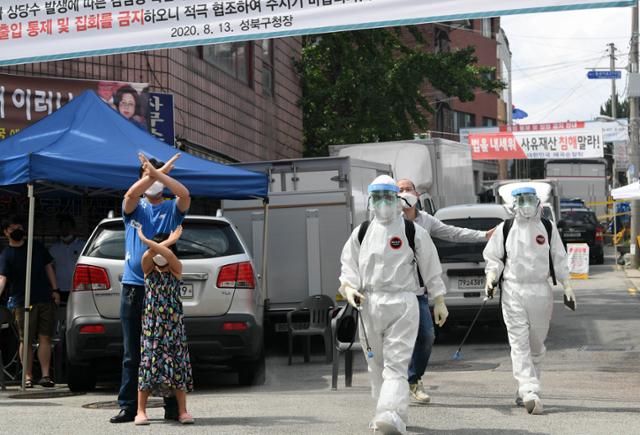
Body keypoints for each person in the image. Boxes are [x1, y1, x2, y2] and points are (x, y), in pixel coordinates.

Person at [339, 175, 448, 435]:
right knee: (375, 363)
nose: (383, 203)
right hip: (369, 304)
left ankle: (391, 413)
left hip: (403, 303)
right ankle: (384, 412)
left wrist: (439, 298)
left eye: (388, 197)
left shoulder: (412, 231)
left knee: (396, 364)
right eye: (378, 197)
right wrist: (349, 288)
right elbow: (348, 265)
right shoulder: (362, 232)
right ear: (370, 201)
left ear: (398, 200)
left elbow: (431, 266)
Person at [396, 178, 494, 404]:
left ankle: (414, 380)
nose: (404, 193)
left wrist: (482, 235)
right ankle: (391, 387)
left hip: (417, 291)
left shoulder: (425, 221)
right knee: (394, 342)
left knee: (426, 336)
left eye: (408, 189)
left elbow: (453, 233)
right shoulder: (387, 222)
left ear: (417, 195)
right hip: (390, 293)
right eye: (399, 190)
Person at [110, 152, 190, 424]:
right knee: (133, 351)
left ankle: (171, 407)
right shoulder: (135, 208)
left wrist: (160, 172)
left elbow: (185, 194)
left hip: (164, 288)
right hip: (135, 287)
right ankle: (129, 406)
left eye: (157, 178)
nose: (153, 183)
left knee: (167, 348)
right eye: (148, 177)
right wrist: (152, 174)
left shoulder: (171, 208)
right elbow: (130, 196)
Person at [483, 187, 574, 415]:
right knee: (519, 342)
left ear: (537, 201)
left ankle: (525, 388)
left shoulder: (548, 228)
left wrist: (568, 285)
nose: (526, 204)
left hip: (541, 290)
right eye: (522, 199)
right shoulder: (505, 229)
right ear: (514, 203)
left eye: (530, 199)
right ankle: (530, 389)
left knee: (536, 345)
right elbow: (493, 257)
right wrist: (491, 277)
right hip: (513, 289)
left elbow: (559, 258)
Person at [135, 225, 194, 425]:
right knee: (148, 365)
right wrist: (168, 240)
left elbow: (167, 255)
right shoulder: (148, 270)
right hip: (152, 327)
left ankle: (183, 410)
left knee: (177, 365)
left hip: (173, 328)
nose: (159, 255)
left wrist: (150, 240)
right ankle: (140, 411)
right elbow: (147, 256)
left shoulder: (176, 268)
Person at [0, 215, 60, 388]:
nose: (17, 230)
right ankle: (27, 376)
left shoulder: (36, 247)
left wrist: (55, 289)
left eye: (19, 227)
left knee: (45, 337)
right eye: (12, 228)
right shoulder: (6, 255)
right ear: (6, 232)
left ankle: (46, 375)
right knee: (24, 339)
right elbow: (2, 278)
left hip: (44, 297)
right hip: (21, 301)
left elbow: (48, 267)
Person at [49, 215, 86, 304]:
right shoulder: (54, 249)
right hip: (60, 289)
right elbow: (49, 268)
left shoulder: (83, 246)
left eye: (67, 226)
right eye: (63, 227)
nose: (65, 229)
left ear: (73, 228)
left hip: (79, 289)